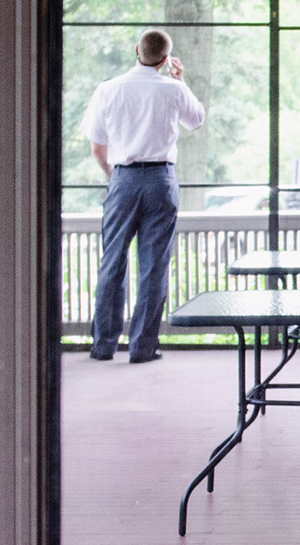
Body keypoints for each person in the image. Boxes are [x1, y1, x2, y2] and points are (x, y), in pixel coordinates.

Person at [81, 29, 206, 363]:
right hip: (161, 180)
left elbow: (96, 146)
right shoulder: (173, 88)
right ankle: (142, 347)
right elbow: (196, 121)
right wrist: (180, 79)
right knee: (153, 267)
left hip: (123, 178)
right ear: (166, 60)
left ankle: (104, 344)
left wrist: (116, 176)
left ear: (136, 49)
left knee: (112, 262)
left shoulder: (108, 89)